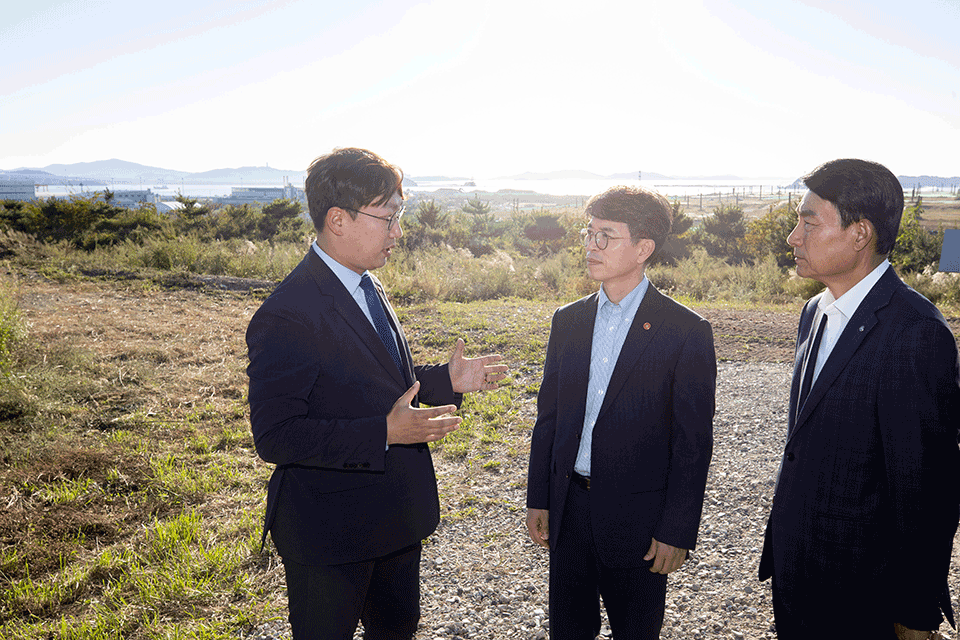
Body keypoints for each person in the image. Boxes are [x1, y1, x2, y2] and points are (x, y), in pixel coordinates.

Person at [246, 147, 508, 639]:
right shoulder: (288, 313)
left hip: (393, 522)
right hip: (330, 534)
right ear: (338, 220)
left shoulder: (365, 284)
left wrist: (443, 381)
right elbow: (277, 436)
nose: (399, 232)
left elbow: (376, 382)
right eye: (388, 217)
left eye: (399, 216)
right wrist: (383, 432)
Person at [758, 158, 960, 640]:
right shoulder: (815, 311)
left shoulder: (916, 333)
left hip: (862, 598)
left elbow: (927, 490)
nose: (793, 237)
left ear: (860, 233)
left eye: (809, 222)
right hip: (797, 579)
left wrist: (914, 611)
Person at [525, 185, 716, 640]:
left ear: (643, 248)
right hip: (568, 509)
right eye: (588, 233)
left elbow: (692, 446)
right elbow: (549, 417)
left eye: (605, 236)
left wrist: (677, 530)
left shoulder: (685, 332)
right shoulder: (567, 320)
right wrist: (540, 496)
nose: (591, 245)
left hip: (640, 522)